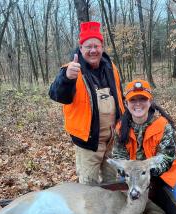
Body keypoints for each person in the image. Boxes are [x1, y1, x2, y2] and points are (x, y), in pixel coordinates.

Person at [49, 21, 124, 184]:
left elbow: (120, 96)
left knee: (112, 184)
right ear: (81, 48)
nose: (93, 50)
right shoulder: (71, 69)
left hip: (112, 141)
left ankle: (108, 210)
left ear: (102, 47)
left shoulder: (111, 67)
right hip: (89, 143)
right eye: (88, 46)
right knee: (89, 187)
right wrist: (67, 78)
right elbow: (57, 95)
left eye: (96, 46)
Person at [112, 79, 176, 209]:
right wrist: (127, 171)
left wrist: (147, 171)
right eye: (133, 100)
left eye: (143, 99)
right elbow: (119, 157)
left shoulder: (163, 125)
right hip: (134, 173)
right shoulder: (120, 128)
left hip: (167, 172)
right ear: (126, 103)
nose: (138, 104)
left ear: (150, 101)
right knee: (123, 205)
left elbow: (167, 159)